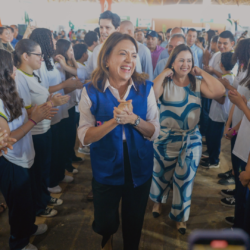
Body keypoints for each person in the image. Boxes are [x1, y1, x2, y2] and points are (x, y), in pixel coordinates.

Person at [78, 32, 159, 250]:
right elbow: (84, 137)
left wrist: (134, 120)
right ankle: (107, 237)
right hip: (106, 164)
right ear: (106, 59)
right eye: (122, 54)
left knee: (134, 219)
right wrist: (114, 121)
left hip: (139, 164)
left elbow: (154, 131)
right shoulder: (91, 90)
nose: (129, 61)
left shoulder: (145, 88)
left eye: (133, 55)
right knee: (105, 220)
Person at [150, 44, 225, 235]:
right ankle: (157, 202)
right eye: (181, 60)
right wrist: (164, 73)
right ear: (173, 62)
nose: (185, 64)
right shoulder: (165, 83)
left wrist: (202, 72)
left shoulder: (196, 83)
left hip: (191, 138)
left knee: (185, 179)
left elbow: (219, 92)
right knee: (160, 175)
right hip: (164, 138)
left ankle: (180, 217)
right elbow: (151, 95)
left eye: (189, 60)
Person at [0, 49, 52, 250]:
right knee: (18, 205)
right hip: (11, 160)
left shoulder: (10, 90)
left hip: (23, 155)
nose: (15, 69)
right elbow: (8, 138)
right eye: (11, 65)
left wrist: (42, 108)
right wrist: (34, 119)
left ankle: (28, 228)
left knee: (27, 199)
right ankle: (19, 243)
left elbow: (21, 115)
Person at [14, 39, 70, 218]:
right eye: (38, 55)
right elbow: (28, 111)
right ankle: (39, 206)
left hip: (44, 129)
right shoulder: (21, 78)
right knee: (38, 172)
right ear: (25, 56)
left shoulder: (33, 74)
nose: (42, 58)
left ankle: (44, 198)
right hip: (35, 133)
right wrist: (51, 102)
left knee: (44, 170)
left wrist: (52, 100)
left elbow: (40, 100)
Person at [29, 28, 82, 193]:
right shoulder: (38, 63)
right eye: (51, 39)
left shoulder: (49, 60)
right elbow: (44, 89)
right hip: (49, 110)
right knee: (51, 150)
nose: (54, 42)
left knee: (60, 146)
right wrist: (65, 85)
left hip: (60, 108)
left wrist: (68, 86)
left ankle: (58, 175)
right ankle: (51, 181)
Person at [57, 11, 141, 82]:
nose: (103, 31)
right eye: (101, 27)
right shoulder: (97, 50)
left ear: (117, 29)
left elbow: (137, 76)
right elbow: (88, 73)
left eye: (107, 28)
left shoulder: (129, 48)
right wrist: (65, 67)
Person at [54, 39, 85, 174]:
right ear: (63, 51)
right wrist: (73, 87)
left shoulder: (70, 64)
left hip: (72, 104)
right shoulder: (58, 67)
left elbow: (80, 75)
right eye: (70, 50)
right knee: (66, 137)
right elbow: (60, 90)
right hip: (63, 106)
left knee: (72, 135)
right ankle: (67, 163)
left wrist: (72, 61)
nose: (72, 52)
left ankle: (71, 157)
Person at [200, 52, 235, 169]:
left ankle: (214, 160)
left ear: (220, 64)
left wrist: (209, 94)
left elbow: (221, 100)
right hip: (215, 113)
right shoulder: (227, 77)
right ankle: (211, 158)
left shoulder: (226, 80)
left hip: (219, 115)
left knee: (214, 139)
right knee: (210, 137)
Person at [73, 43, 90, 155]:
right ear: (84, 54)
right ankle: (82, 146)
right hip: (79, 102)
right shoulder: (81, 67)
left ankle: (81, 145)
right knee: (82, 125)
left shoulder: (77, 66)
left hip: (77, 101)